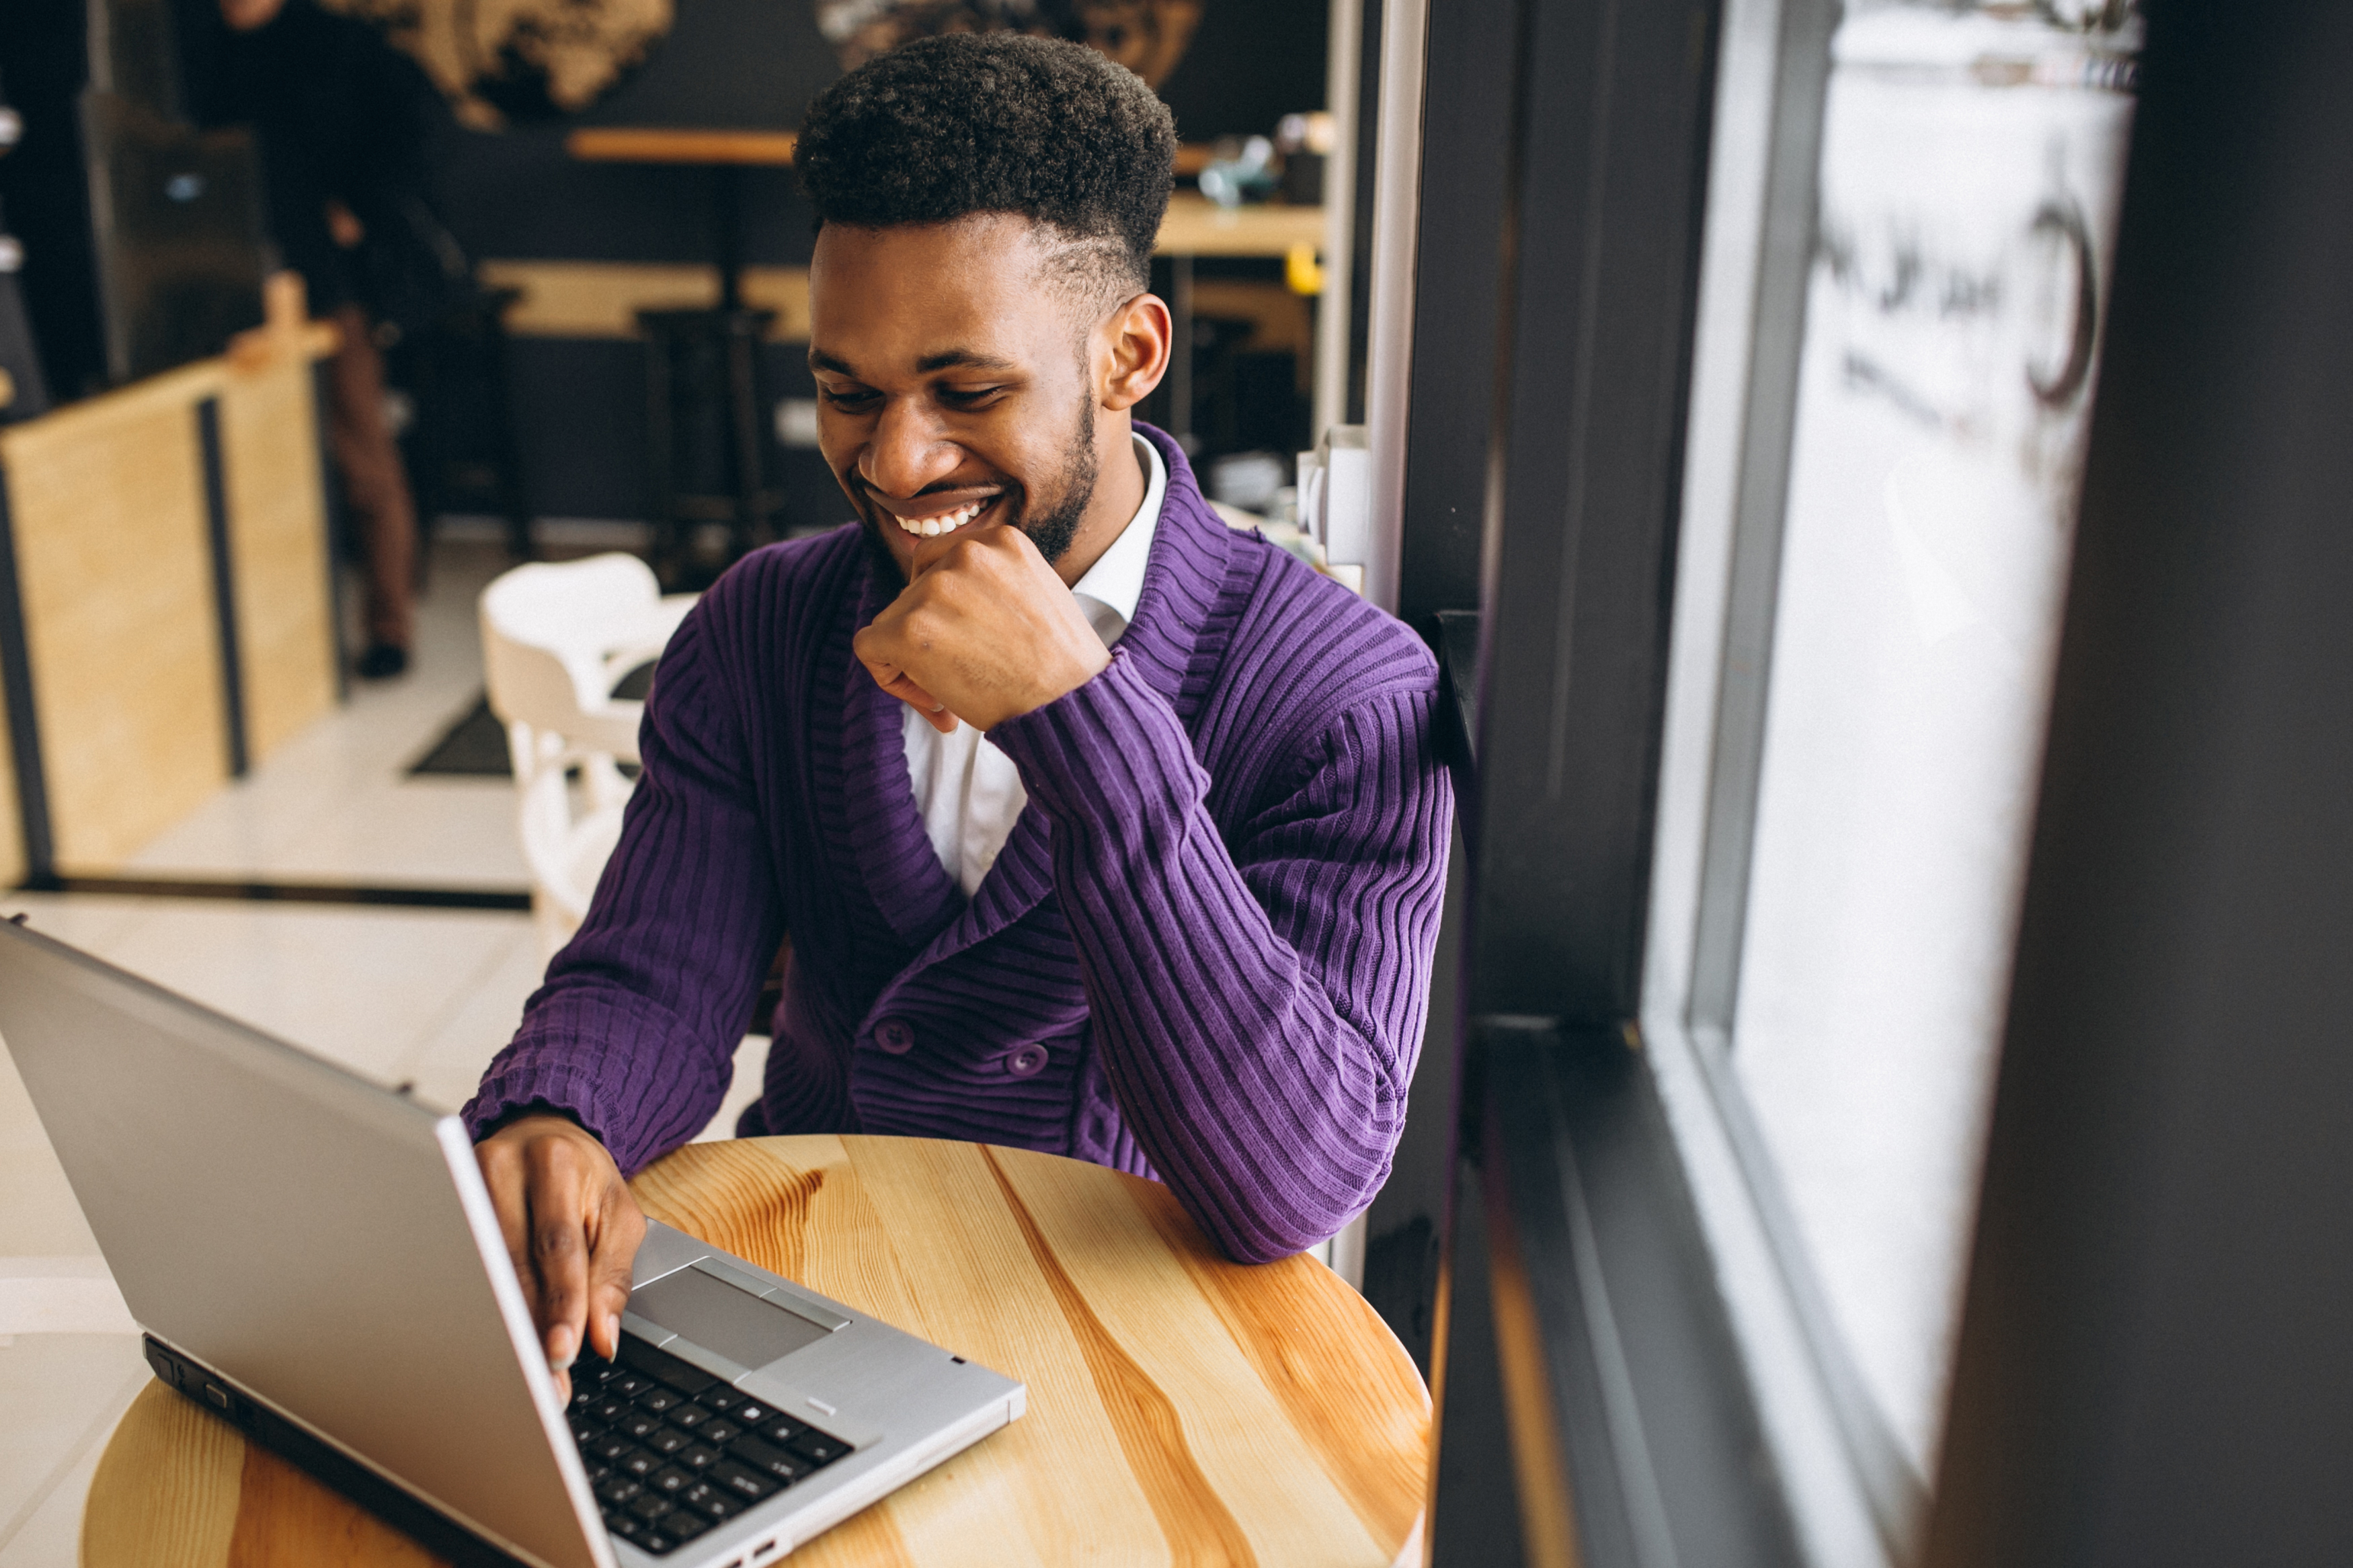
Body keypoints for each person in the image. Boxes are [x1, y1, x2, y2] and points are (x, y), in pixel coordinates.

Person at [464, 33, 1451, 1393]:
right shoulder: (764, 625)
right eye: (845, 392)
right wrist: (561, 1114)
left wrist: (1077, 717)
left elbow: (1296, 1177)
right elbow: (655, 975)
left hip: (1139, 1359)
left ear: (1128, 353)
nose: (895, 459)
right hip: (811, 1305)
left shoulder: (1348, 694)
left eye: (968, 392)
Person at [191, 0, 432, 677]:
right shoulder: (193, 44)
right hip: (220, 279)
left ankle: (389, 626)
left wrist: (362, 211)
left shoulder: (332, 42)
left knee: (361, 458)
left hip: (326, 284)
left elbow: (407, 134)